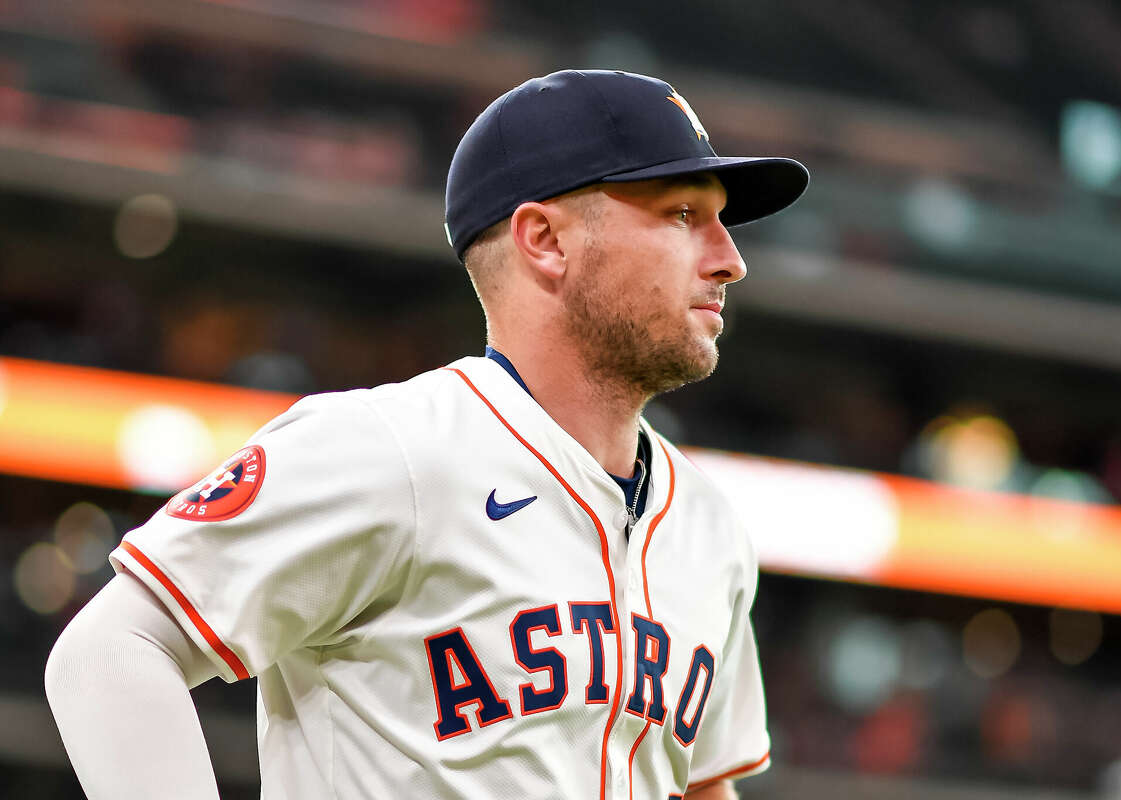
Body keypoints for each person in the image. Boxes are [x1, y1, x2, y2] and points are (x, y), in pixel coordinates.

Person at [45, 69, 809, 799]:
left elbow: (707, 781)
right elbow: (107, 654)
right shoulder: (386, 450)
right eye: (683, 215)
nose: (730, 260)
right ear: (545, 239)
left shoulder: (710, 527)